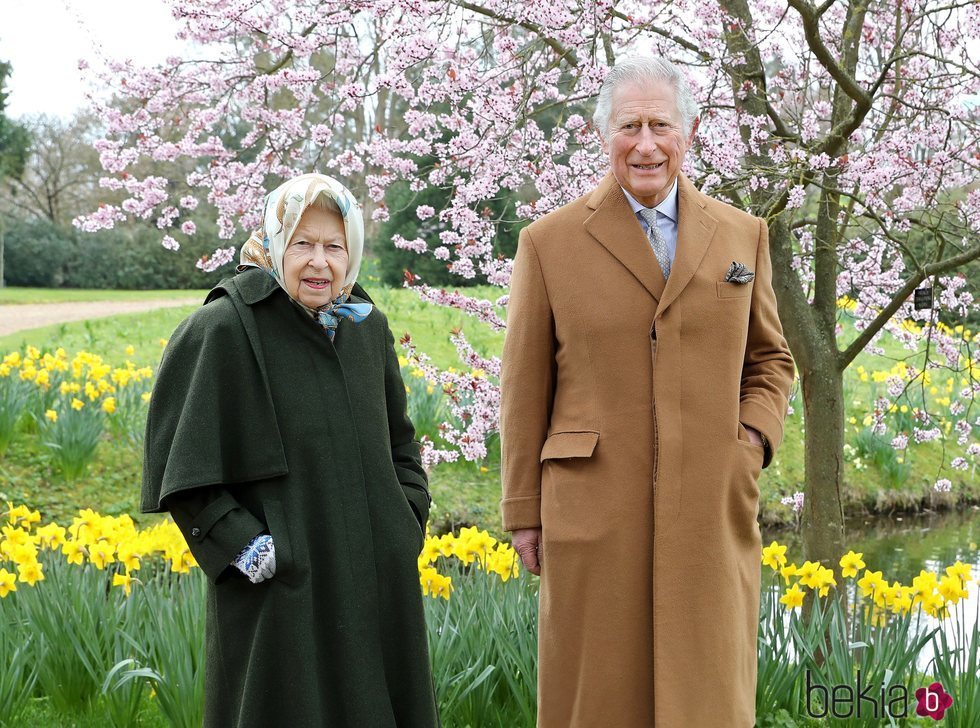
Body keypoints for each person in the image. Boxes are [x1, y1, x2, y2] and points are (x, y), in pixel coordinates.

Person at [500, 56, 795, 727]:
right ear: (604, 135)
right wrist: (523, 509)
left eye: (661, 124)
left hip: (709, 505)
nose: (646, 143)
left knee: (709, 695)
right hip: (592, 509)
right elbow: (523, 387)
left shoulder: (743, 234)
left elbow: (771, 358)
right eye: (629, 125)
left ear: (687, 135)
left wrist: (748, 441)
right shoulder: (548, 244)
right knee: (598, 697)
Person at [141, 173, 440, 728]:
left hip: (376, 577)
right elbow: (181, 468)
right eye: (303, 244)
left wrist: (406, 518)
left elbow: (400, 439)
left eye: (334, 246)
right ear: (277, 244)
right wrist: (243, 546)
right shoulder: (225, 326)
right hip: (280, 588)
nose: (319, 263)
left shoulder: (365, 326)